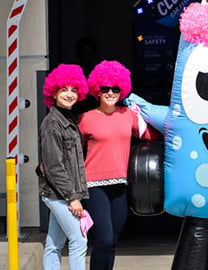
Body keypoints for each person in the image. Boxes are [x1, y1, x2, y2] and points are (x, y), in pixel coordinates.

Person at [78, 60, 150, 270]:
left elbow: (150, 135)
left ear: (122, 90)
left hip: (120, 186)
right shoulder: (85, 118)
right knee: (104, 239)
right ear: (97, 91)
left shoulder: (128, 116)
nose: (110, 92)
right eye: (105, 88)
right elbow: (71, 151)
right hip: (93, 186)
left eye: (115, 88)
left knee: (113, 242)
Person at [38, 64, 89, 270]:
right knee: (79, 241)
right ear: (54, 92)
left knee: (54, 244)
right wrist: (73, 198)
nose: (69, 94)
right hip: (59, 195)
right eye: (64, 90)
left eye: (74, 90)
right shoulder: (53, 123)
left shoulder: (68, 119)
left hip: (61, 193)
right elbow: (54, 166)